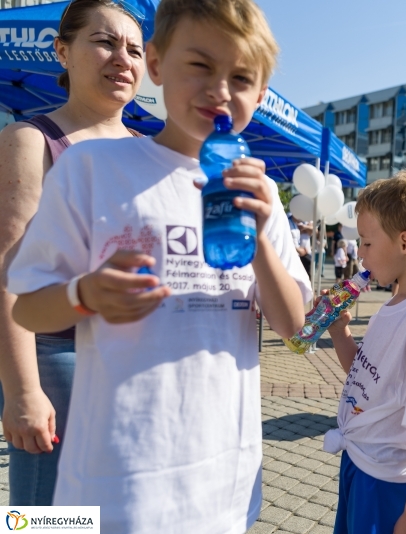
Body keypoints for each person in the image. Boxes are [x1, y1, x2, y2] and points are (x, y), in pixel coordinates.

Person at [7, 1, 311, 531]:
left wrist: (261, 234)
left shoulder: (261, 191)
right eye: (199, 65)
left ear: (260, 95)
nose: (219, 90)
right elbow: (28, 304)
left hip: (224, 479)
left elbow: (292, 326)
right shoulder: (89, 167)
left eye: (241, 76)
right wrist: (85, 294)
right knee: (37, 518)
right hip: (118, 478)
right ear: (157, 65)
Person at [0, 0, 147, 506]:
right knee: (50, 517)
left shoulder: (155, 152)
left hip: (143, 362)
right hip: (60, 360)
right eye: (104, 42)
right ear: (62, 51)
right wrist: (22, 391)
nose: (122, 59)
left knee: (122, 511)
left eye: (134, 49)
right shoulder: (31, 139)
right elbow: (8, 270)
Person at [322, 166, 406, 533]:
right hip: (358, 461)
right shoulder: (394, 305)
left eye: (367, 243)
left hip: (384, 483)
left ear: (404, 243)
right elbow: (367, 377)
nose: (360, 254)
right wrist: (340, 332)